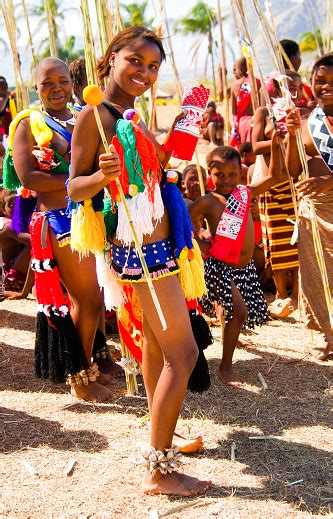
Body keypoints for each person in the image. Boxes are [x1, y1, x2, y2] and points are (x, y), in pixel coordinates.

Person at [68, 26, 211, 496]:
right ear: (111, 58)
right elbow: (73, 187)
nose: (144, 73)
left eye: (153, 66)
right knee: (184, 354)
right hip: (144, 254)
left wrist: (183, 135)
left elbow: (152, 171)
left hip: (160, 247)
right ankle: (160, 469)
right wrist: (98, 177)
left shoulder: (124, 114)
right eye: (135, 61)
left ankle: (161, 441)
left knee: (155, 347)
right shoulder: (93, 115)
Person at [10, 57, 116, 402]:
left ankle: (96, 362)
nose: (56, 88)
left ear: (72, 83)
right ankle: (80, 378)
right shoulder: (30, 124)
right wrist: (77, 181)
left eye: (62, 81)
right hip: (59, 221)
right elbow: (29, 178)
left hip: (91, 216)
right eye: (46, 83)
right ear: (35, 88)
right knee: (87, 298)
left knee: (96, 297)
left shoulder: (84, 117)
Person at [189, 137, 283, 384]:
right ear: (210, 174)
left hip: (245, 269)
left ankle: (230, 339)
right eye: (219, 174)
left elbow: (276, 175)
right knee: (239, 313)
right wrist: (200, 239)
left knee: (233, 312)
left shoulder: (245, 193)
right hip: (219, 266)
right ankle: (225, 367)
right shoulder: (208, 201)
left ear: (241, 173)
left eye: (233, 174)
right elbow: (185, 221)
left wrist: (276, 142)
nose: (227, 180)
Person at [286, 53, 333, 361]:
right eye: (320, 80)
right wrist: (290, 136)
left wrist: (329, 182)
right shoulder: (306, 122)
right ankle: (330, 336)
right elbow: (292, 170)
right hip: (312, 212)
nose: (325, 86)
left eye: (332, 81)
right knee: (321, 276)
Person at [252, 71, 302, 317]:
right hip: (270, 183)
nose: (291, 91)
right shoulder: (263, 112)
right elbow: (254, 146)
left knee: (296, 241)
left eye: (296, 87)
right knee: (277, 240)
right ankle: (281, 294)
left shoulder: (298, 113)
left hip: (293, 182)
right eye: (286, 86)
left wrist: (292, 133)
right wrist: (277, 138)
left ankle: (296, 295)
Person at [0, 192, 31, 292]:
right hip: (10, 277)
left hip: (14, 268)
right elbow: (34, 241)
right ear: (3, 210)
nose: (16, 207)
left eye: (19, 203)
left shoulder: (19, 222)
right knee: (35, 246)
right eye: (11, 204)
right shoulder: (8, 226)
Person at [230, 57, 260, 150]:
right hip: (257, 121)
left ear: (239, 69)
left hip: (242, 123)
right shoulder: (257, 82)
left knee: (245, 152)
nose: (233, 72)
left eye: (234, 69)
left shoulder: (235, 85)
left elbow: (234, 112)